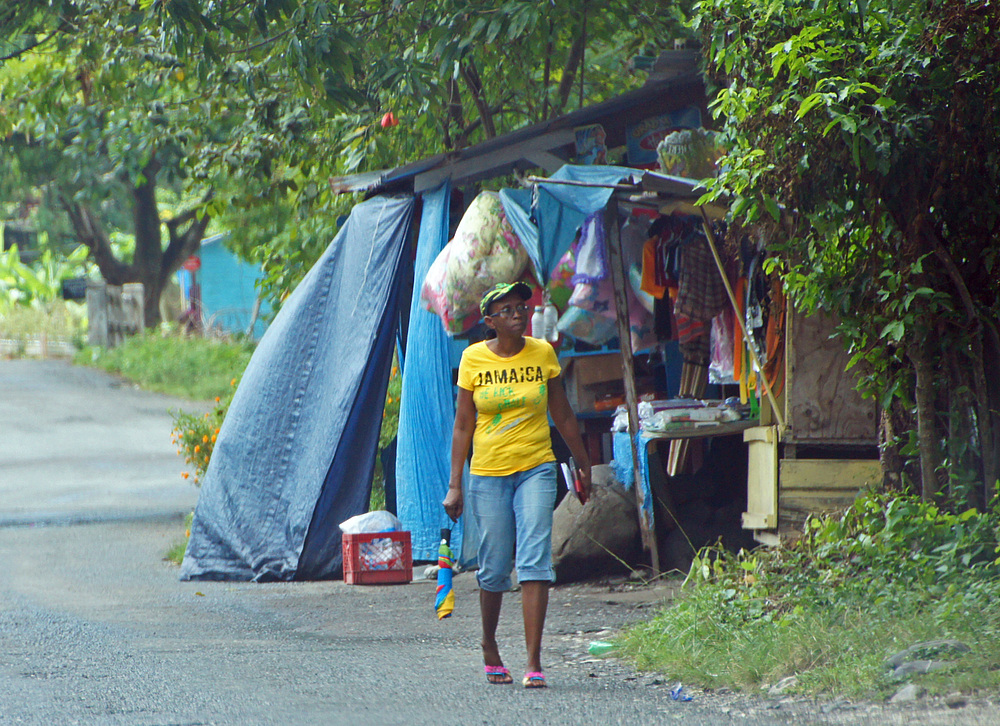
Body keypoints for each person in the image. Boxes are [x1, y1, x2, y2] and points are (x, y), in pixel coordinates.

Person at [443, 281, 592, 689]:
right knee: (493, 567)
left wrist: (583, 464)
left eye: (521, 307)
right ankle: (490, 645)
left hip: (536, 468)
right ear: (489, 321)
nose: (517, 313)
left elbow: (561, 414)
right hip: (488, 473)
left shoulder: (543, 353)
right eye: (506, 309)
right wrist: (454, 484)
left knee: (534, 561)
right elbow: (462, 425)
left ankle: (533, 661)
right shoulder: (472, 359)